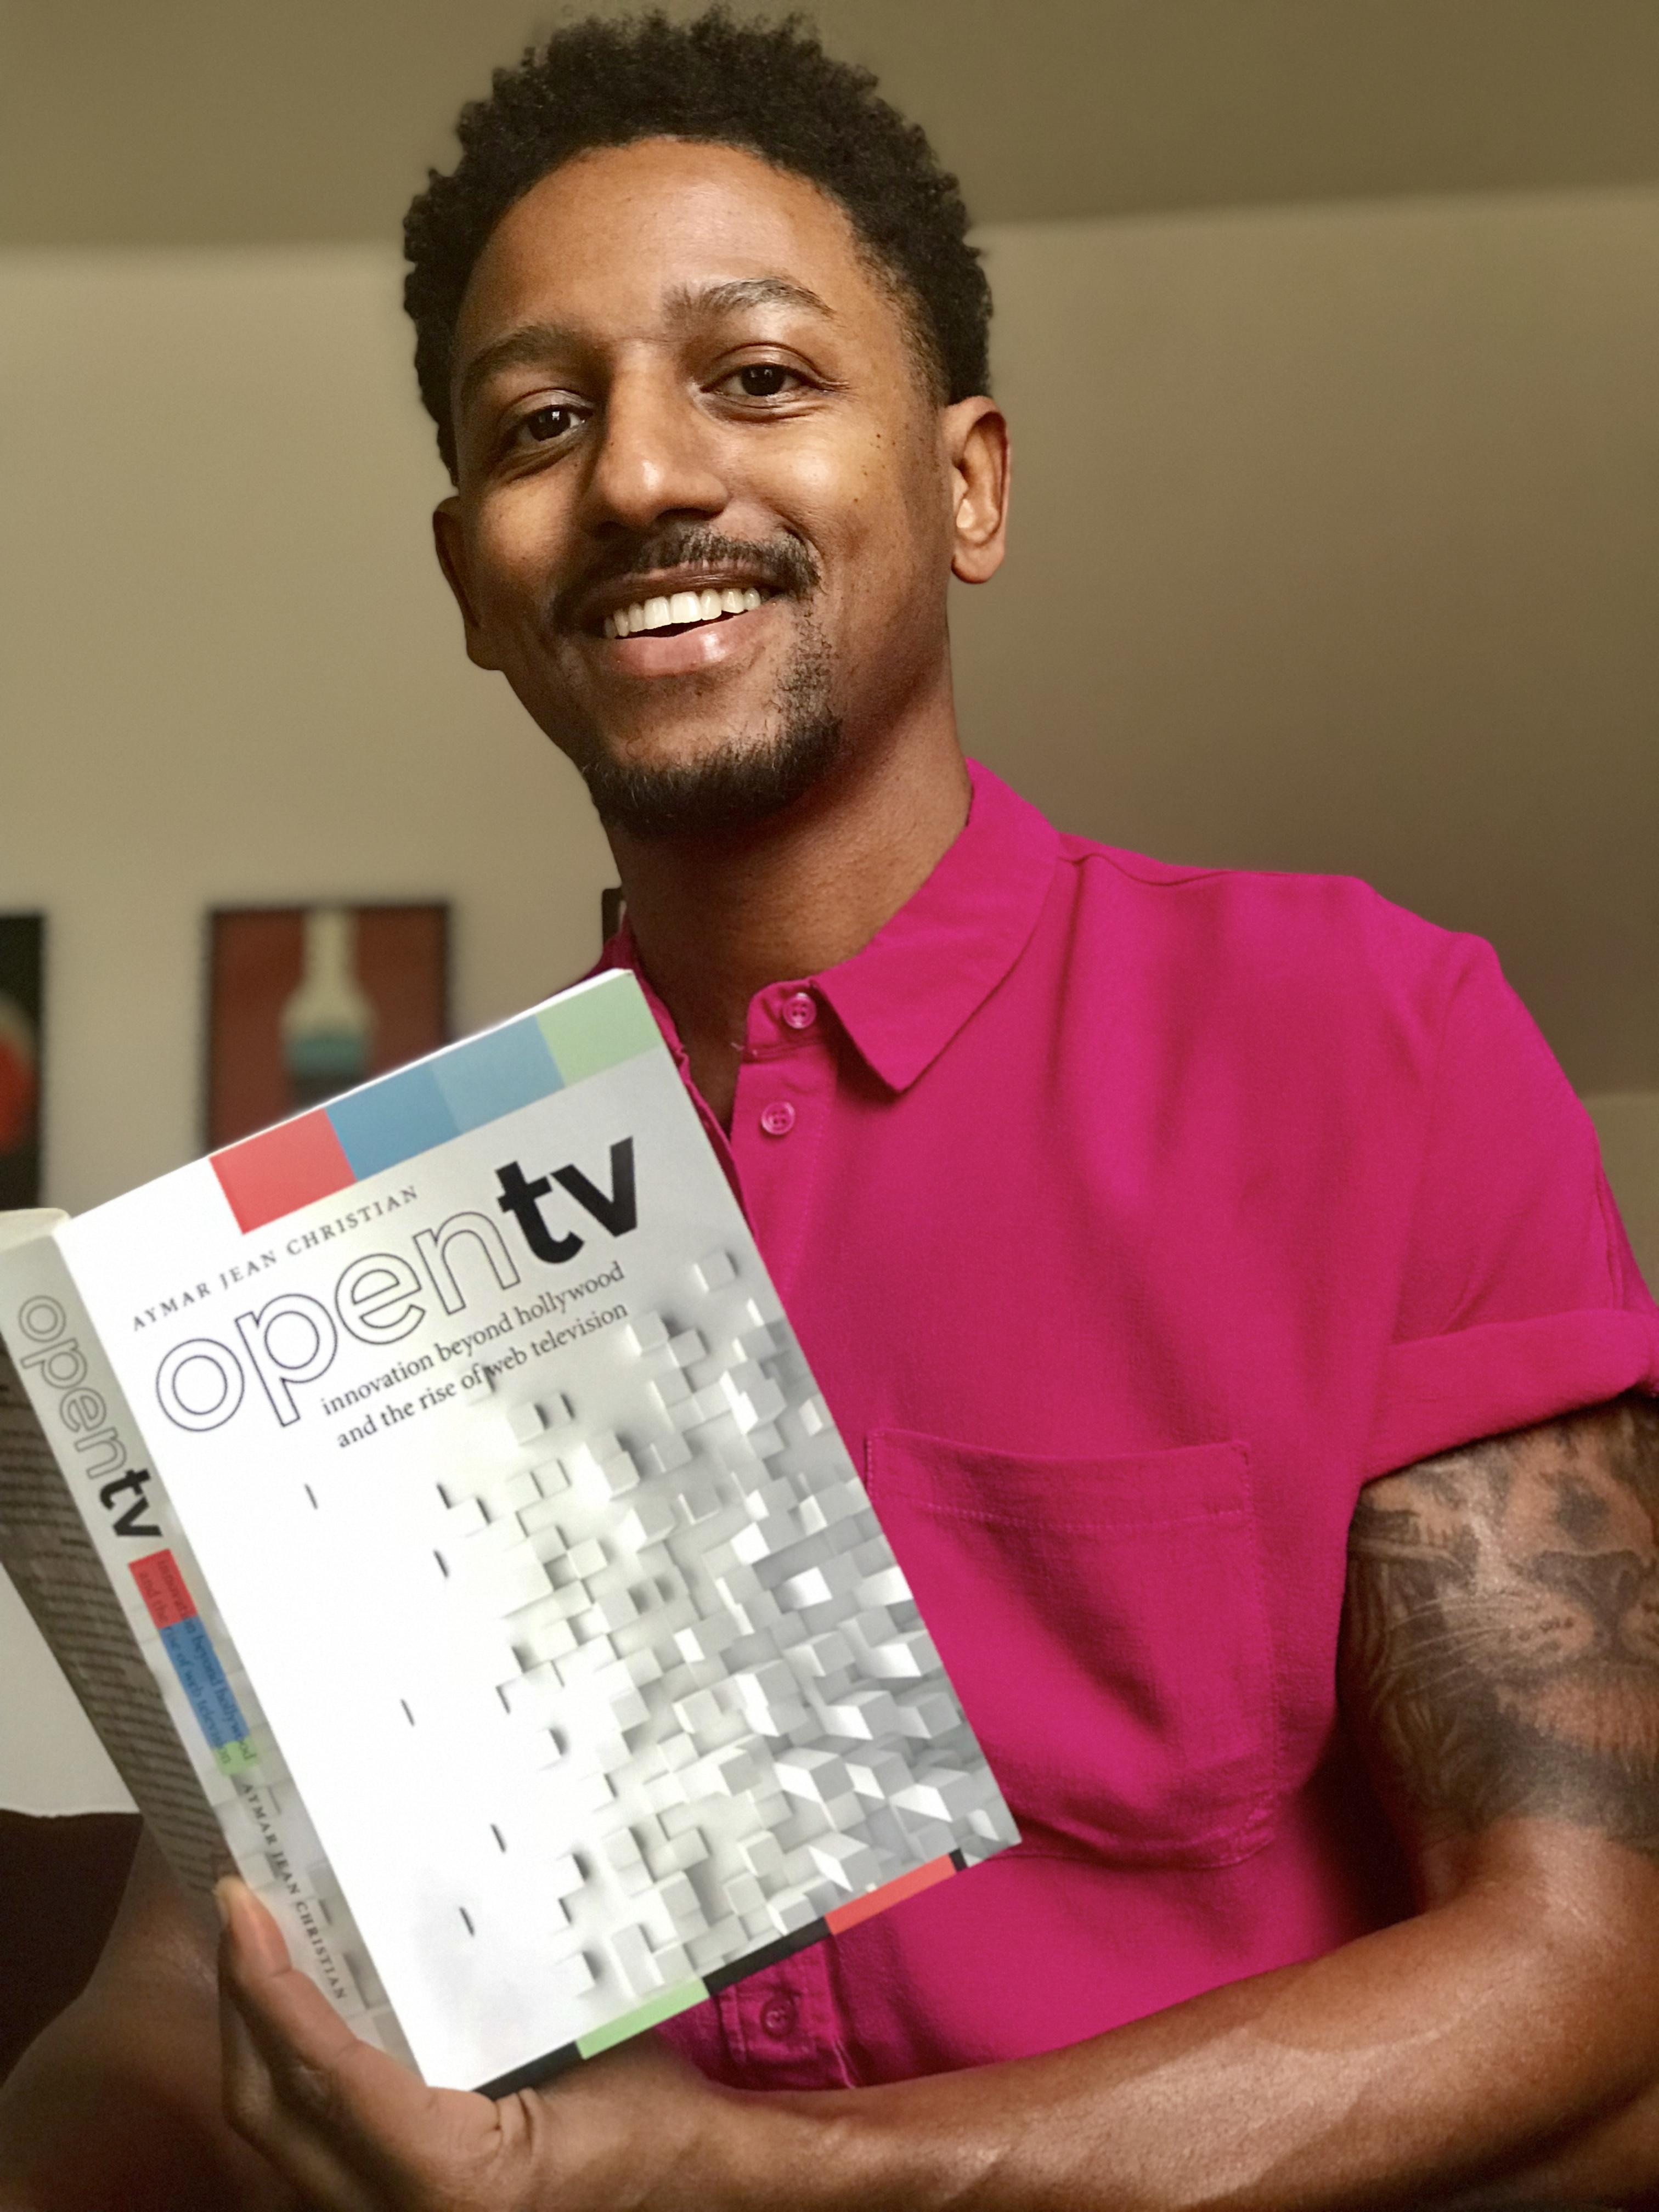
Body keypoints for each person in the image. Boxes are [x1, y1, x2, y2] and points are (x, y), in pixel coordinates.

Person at [4, 13, 1658, 2208]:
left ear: (968, 482)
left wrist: (733, 2184)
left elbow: (1591, 1964)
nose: (645, 478)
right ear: (472, 581)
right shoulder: (362, 1248)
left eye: (759, 378)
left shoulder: (1375, 1034)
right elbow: (168, 2011)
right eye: (541, 420)